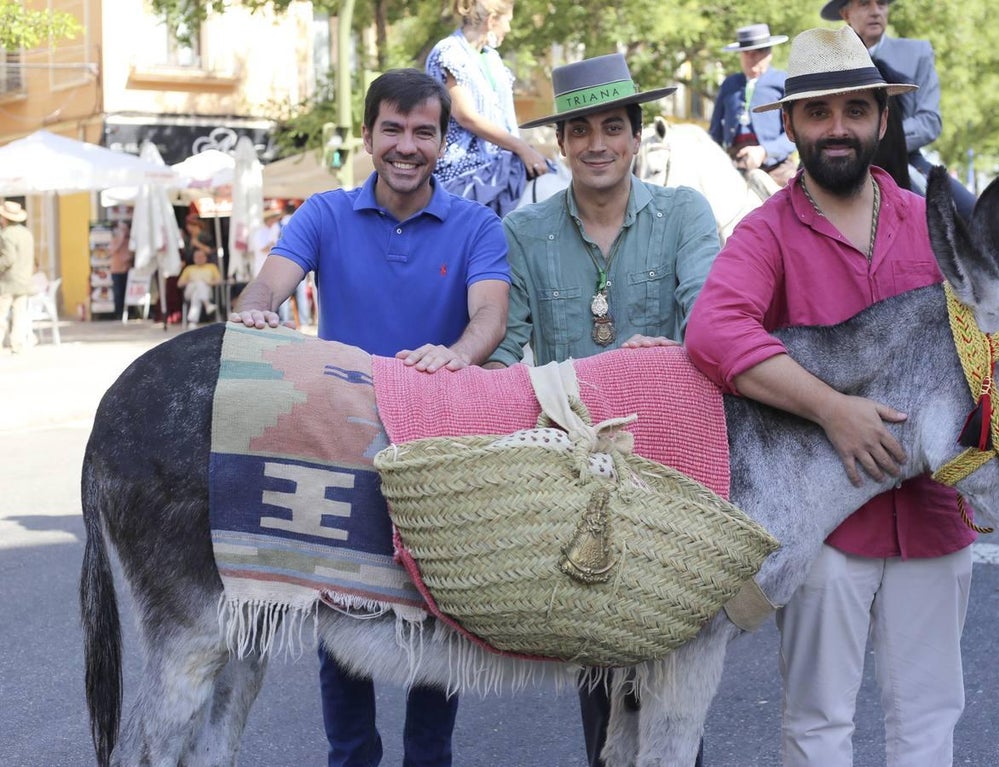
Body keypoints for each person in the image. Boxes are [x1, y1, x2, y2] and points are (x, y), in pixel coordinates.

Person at [684, 27, 976, 767]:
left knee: (929, 721)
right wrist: (830, 409)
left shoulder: (933, 222)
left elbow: (995, 341)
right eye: (817, 113)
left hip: (934, 515)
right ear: (790, 126)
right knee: (817, 725)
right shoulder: (764, 234)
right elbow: (714, 332)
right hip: (824, 529)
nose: (836, 127)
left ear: (882, 117)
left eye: (854, 109)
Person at [230, 68, 511, 767]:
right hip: (338, 445)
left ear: (443, 143)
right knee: (341, 615)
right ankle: (350, 758)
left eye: (424, 132)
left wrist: (456, 355)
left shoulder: (478, 225)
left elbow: (490, 315)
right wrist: (258, 307)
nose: (407, 146)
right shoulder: (324, 214)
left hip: (436, 446)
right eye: (393, 128)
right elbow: (270, 281)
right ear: (368, 135)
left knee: (439, 616)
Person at [486, 53, 720, 766]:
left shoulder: (684, 213)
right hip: (578, 474)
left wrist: (671, 353)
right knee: (599, 670)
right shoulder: (524, 233)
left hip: (673, 472)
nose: (596, 143)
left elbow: (710, 324)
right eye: (580, 129)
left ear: (636, 136)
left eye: (612, 127)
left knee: (676, 674)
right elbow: (505, 353)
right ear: (561, 143)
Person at [822, 0, 976, 219]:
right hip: (839, 156)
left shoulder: (917, 52)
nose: (875, 11)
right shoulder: (825, 61)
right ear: (846, 13)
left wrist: (884, 140)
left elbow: (929, 121)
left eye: (882, 4)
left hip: (905, 158)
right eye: (865, 4)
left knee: (974, 212)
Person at [426, 0, 551, 217]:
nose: (509, 29)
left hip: (504, 161)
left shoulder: (492, 58)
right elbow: (466, 117)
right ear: (492, 20)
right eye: (508, 21)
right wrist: (521, 148)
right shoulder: (449, 52)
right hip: (464, 169)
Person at [710, 24, 796, 189]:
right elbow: (715, 132)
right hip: (734, 162)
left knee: (798, 198)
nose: (752, 57)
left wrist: (764, 151)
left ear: (769, 54)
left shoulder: (783, 82)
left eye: (759, 52)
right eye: (747, 53)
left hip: (776, 165)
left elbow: (797, 134)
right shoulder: (729, 84)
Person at [0, 200, 35, 354]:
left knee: (1, 314)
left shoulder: (6, 234)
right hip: (24, 279)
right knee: (19, 314)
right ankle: (17, 344)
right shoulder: (27, 233)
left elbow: (8, 258)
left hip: (8, 281)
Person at [177, 246, 222, 326]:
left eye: (201, 256)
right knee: (198, 284)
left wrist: (210, 282)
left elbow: (219, 280)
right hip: (189, 290)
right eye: (197, 257)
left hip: (207, 291)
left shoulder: (212, 267)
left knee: (196, 293)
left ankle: (192, 321)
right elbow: (179, 284)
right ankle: (207, 305)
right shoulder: (189, 268)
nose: (199, 258)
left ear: (205, 257)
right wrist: (191, 281)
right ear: (194, 258)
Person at [109, 220, 134, 318]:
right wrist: (121, 239)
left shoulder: (129, 241)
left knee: (127, 293)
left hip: (127, 269)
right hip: (116, 270)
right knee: (118, 292)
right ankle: (118, 313)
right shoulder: (115, 240)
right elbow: (112, 251)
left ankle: (128, 313)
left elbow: (131, 254)